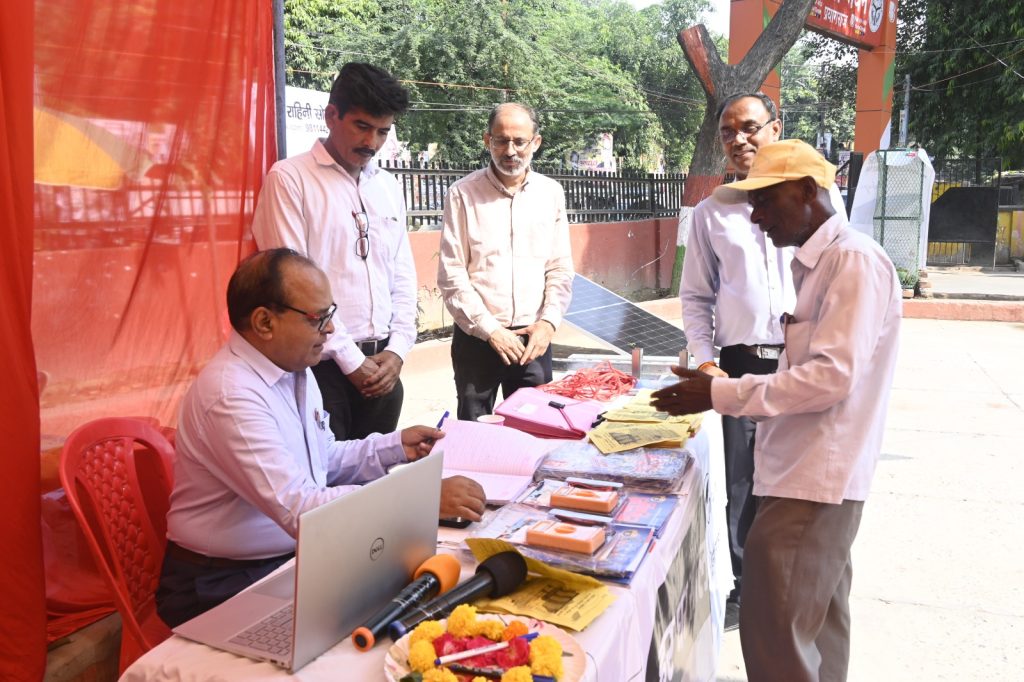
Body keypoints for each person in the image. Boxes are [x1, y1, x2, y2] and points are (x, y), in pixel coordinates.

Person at [652, 139, 901, 681]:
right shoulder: (819, 265)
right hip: (800, 473)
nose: (756, 214)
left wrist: (720, 394)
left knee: (777, 640)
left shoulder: (852, 261)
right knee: (814, 633)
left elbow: (831, 377)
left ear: (808, 191)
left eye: (766, 199)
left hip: (813, 483)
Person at [156, 249, 485, 627]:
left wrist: (393, 447)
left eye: (331, 315)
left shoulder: (294, 369)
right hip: (219, 582)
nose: (330, 330)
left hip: (285, 559)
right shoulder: (231, 396)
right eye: (319, 318)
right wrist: (422, 499)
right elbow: (303, 509)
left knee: (410, 595)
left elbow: (321, 459)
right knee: (365, 628)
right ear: (264, 322)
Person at [679, 92, 846, 629]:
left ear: (777, 128)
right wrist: (706, 364)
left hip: (806, 364)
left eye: (749, 127)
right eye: (727, 132)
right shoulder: (712, 213)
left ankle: (799, 585)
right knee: (740, 483)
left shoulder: (820, 200)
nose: (738, 140)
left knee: (801, 476)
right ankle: (747, 592)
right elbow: (696, 296)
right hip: (740, 364)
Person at [252, 62, 415, 441]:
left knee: (373, 485)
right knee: (328, 492)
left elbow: (402, 272)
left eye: (382, 132)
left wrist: (400, 350)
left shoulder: (388, 185)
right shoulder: (290, 179)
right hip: (320, 370)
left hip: (384, 366)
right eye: (361, 126)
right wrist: (351, 361)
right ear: (331, 115)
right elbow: (291, 287)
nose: (372, 143)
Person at [437, 103, 574, 421]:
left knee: (535, 432)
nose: (510, 150)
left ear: (535, 143)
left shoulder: (550, 193)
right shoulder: (463, 194)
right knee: (476, 436)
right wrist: (491, 331)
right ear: (487, 141)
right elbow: (452, 272)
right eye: (500, 140)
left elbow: (559, 267)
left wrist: (548, 324)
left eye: (519, 141)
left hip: (533, 339)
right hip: (478, 339)